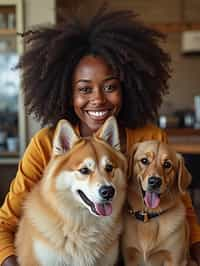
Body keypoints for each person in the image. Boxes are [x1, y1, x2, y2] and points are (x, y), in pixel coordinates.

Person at [0, 4, 200, 266]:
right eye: (84, 89)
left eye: (110, 87)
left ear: (127, 87)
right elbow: (6, 221)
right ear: (65, 93)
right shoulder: (47, 144)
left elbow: (180, 204)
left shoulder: (147, 138)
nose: (98, 100)